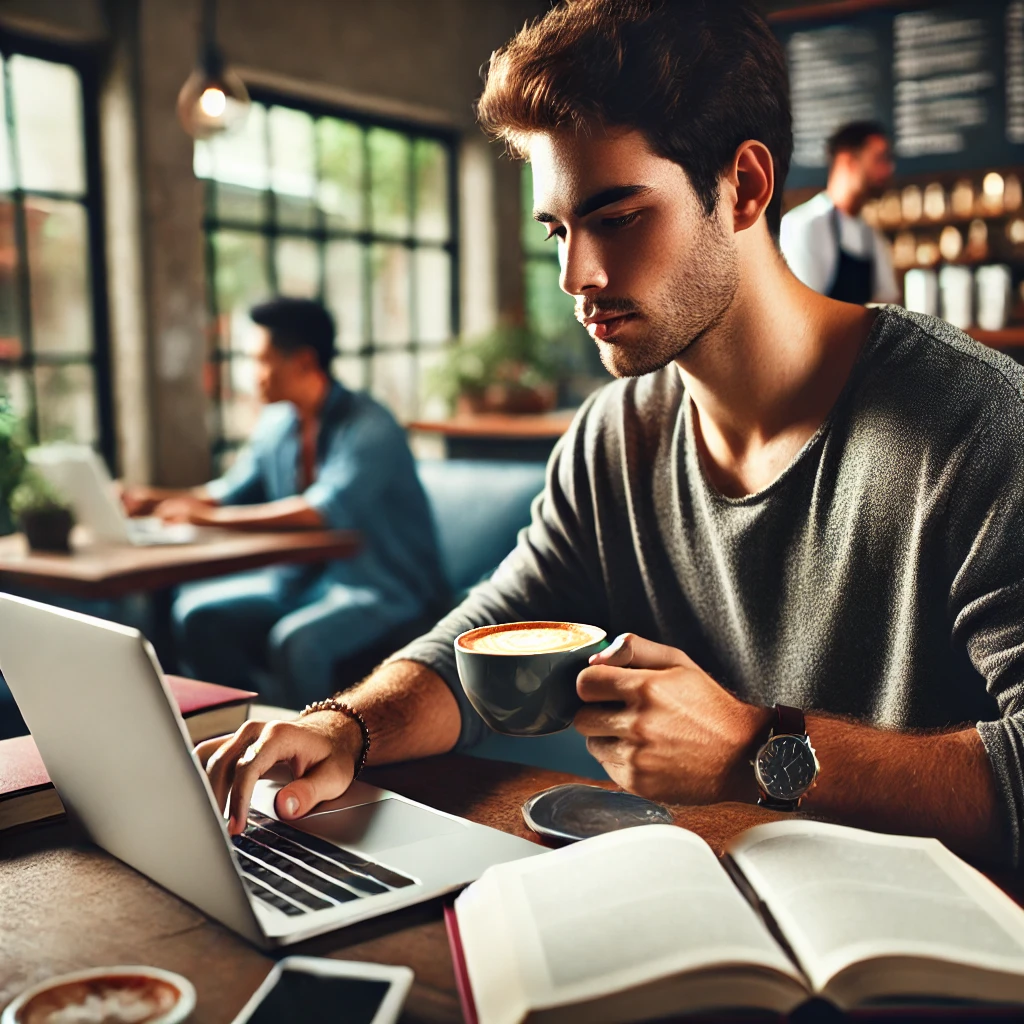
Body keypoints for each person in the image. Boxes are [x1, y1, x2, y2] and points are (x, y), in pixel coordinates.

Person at [199, 0, 1024, 869]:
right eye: (557, 229)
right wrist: (346, 729)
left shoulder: (978, 424)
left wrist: (756, 750)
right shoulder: (614, 436)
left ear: (744, 186)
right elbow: (495, 629)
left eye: (618, 216)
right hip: (708, 910)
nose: (574, 275)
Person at [122, 297, 445, 706]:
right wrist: (154, 501)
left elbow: (320, 512)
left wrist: (208, 520)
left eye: (260, 361)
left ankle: (313, 753)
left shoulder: (371, 426)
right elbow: (227, 494)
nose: (251, 375)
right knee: (198, 616)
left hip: (383, 588)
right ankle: (238, 730)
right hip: (299, 584)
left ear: (304, 362)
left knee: (297, 641)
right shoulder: (277, 423)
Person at [779, 121, 899, 305]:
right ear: (848, 161)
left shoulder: (872, 236)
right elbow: (807, 311)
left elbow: (889, 303)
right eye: (879, 159)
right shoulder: (802, 226)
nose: (888, 169)